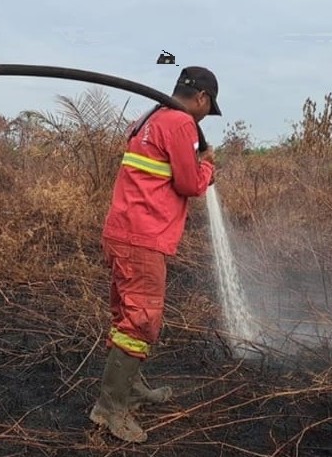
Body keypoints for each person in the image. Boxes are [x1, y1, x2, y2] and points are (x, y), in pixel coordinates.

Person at [89, 66, 221, 443]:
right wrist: (208, 165)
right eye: (206, 111)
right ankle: (111, 409)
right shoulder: (180, 122)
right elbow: (189, 183)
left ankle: (129, 389)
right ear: (202, 99)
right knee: (141, 321)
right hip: (143, 237)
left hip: (123, 232)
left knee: (125, 315)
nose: (202, 118)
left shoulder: (148, 118)